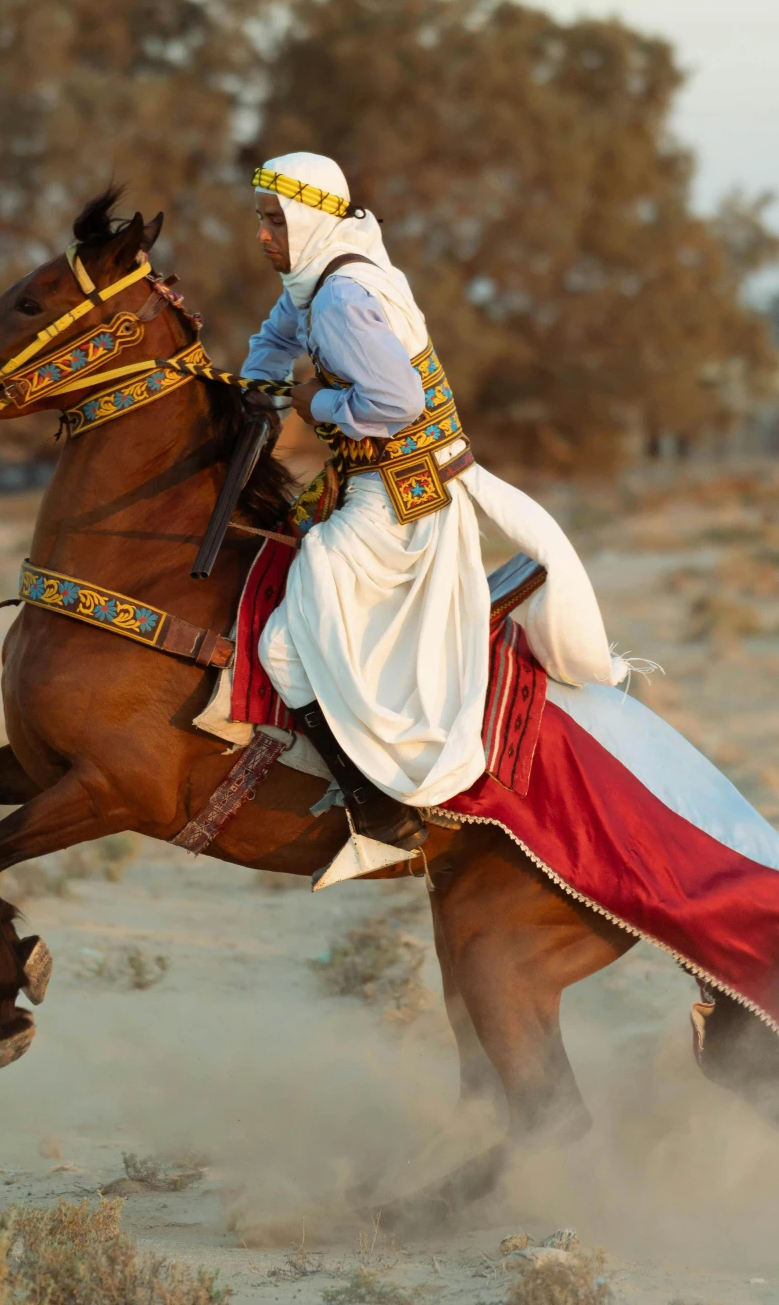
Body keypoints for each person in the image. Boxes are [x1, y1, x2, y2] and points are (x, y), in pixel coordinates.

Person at [242, 150, 616, 887]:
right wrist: (255, 380)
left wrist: (314, 405)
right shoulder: (317, 279)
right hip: (379, 489)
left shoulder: (344, 296)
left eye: (272, 220)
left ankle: (384, 813)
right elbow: (277, 334)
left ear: (309, 219)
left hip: (399, 503)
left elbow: (396, 404)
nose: (261, 236)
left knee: (284, 647)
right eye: (259, 219)